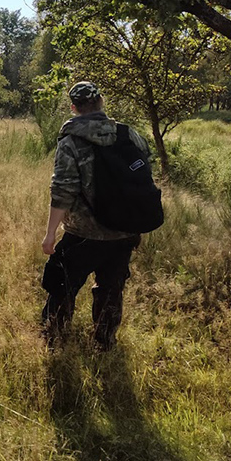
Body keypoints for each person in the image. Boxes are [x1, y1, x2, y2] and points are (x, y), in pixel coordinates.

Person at [41, 81, 150, 350]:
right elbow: (145, 178)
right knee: (111, 290)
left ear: (73, 107)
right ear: (101, 101)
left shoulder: (71, 142)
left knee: (62, 285)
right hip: (123, 232)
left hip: (82, 233)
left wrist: (50, 234)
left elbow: (63, 190)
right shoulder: (128, 135)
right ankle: (104, 343)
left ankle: (55, 340)